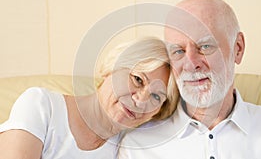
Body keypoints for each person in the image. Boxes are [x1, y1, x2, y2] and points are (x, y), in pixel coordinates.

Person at [118, 0, 261, 159]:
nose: (191, 64)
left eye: (205, 46)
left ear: (238, 48)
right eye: (178, 51)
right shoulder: (137, 147)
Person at [0, 37, 179, 159]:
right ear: (113, 67)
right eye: (138, 79)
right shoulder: (41, 105)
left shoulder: (132, 147)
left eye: (156, 97)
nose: (141, 101)